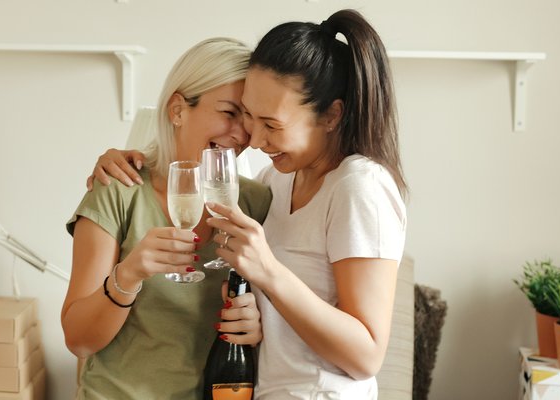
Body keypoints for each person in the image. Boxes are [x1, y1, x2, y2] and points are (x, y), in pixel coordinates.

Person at [84, 10, 408, 399]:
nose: (253, 140)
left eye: (271, 125)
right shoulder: (278, 180)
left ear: (331, 115)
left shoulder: (360, 187)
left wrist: (268, 272)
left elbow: (367, 356)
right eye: (251, 118)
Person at [62, 37, 274, 399]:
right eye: (228, 112)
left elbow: (281, 311)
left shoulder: (255, 203)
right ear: (178, 109)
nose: (241, 134)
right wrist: (129, 274)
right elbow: (78, 340)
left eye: (250, 118)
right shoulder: (117, 189)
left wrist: (258, 329)